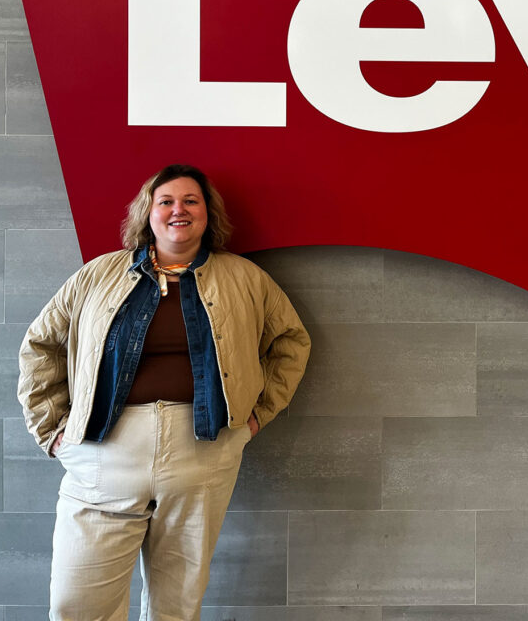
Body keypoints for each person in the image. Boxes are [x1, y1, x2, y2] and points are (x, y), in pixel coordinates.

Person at [17, 164, 311, 621]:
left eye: (191, 201)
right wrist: (51, 429)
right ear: (147, 213)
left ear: (207, 215)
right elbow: (41, 345)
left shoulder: (245, 278)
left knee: (176, 606)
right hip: (103, 452)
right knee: (76, 605)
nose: (179, 210)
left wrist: (254, 419)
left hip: (202, 454)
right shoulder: (100, 275)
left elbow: (291, 342)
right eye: (166, 201)